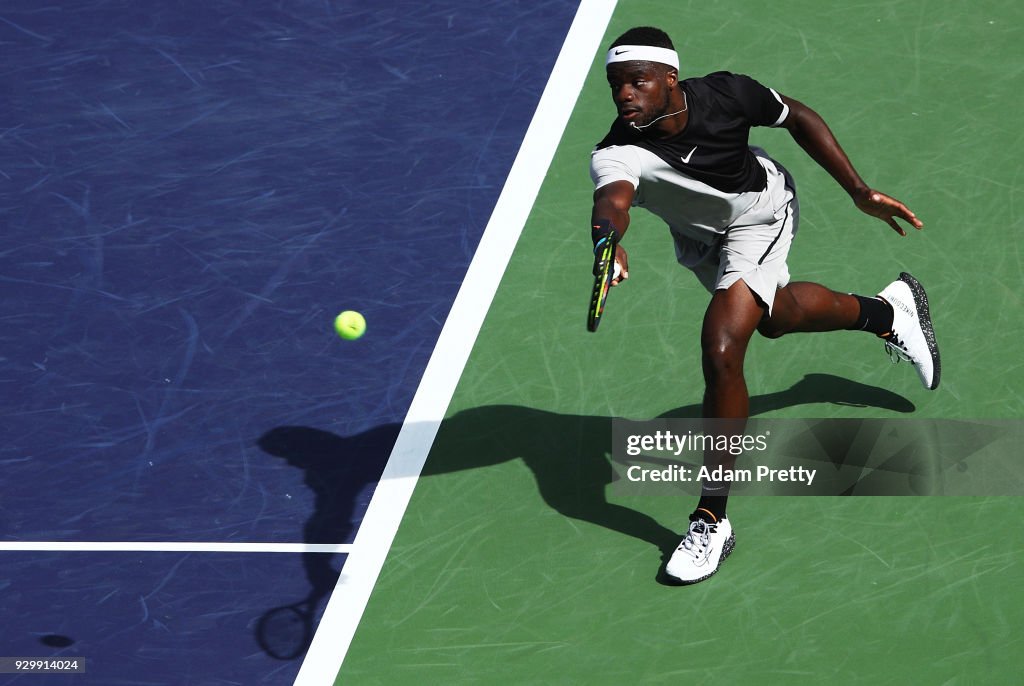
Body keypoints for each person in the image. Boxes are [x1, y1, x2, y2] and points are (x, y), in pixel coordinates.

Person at [588, 27, 940, 584]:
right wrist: (607, 238)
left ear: (670, 79)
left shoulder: (727, 95)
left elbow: (796, 115)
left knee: (723, 346)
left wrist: (857, 188)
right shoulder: (618, 151)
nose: (624, 95)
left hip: (760, 214)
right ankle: (888, 312)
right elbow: (613, 200)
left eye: (637, 81)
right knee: (776, 320)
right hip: (704, 240)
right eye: (615, 85)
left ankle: (711, 517)